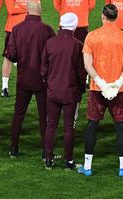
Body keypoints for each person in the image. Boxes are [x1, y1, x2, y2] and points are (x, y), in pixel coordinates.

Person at [77, 4, 123, 177]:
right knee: (120, 126)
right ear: (116, 17)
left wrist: (102, 84)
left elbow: (88, 65)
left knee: (92, 125)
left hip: (97, 89)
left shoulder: (92, 36)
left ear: (103, 16)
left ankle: (87, 167)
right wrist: (117, 84)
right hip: (118, 89)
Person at [6, 0, 55, 159]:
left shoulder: (17, 29)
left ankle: (13, 148)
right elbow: (52, 55)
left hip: (23, 78)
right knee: (44, 116)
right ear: (39, 10)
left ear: (27, 10)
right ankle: (45, 152)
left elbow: (11, 54)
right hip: (42, 80)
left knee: (18, 114)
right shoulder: (47, 30)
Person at [41, 13, 87, 170]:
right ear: (74, 26)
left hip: (53, 91)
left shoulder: (50, 43)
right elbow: (81, 73)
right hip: (71, 93)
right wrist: (81, 89)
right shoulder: (77, 45)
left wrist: (48, 84)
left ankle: (48, 159)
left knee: (50, 125)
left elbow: (43, 69)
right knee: (69, 128)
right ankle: (68, 161)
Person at [1, 0, 40, 97]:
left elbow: (37, 8)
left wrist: (21, 7)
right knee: (8, 57)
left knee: (28, 58)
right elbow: (11, 9)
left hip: (28, 30)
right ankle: (4, 86)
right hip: (12, 29)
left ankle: (25, 85)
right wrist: (29, 8)